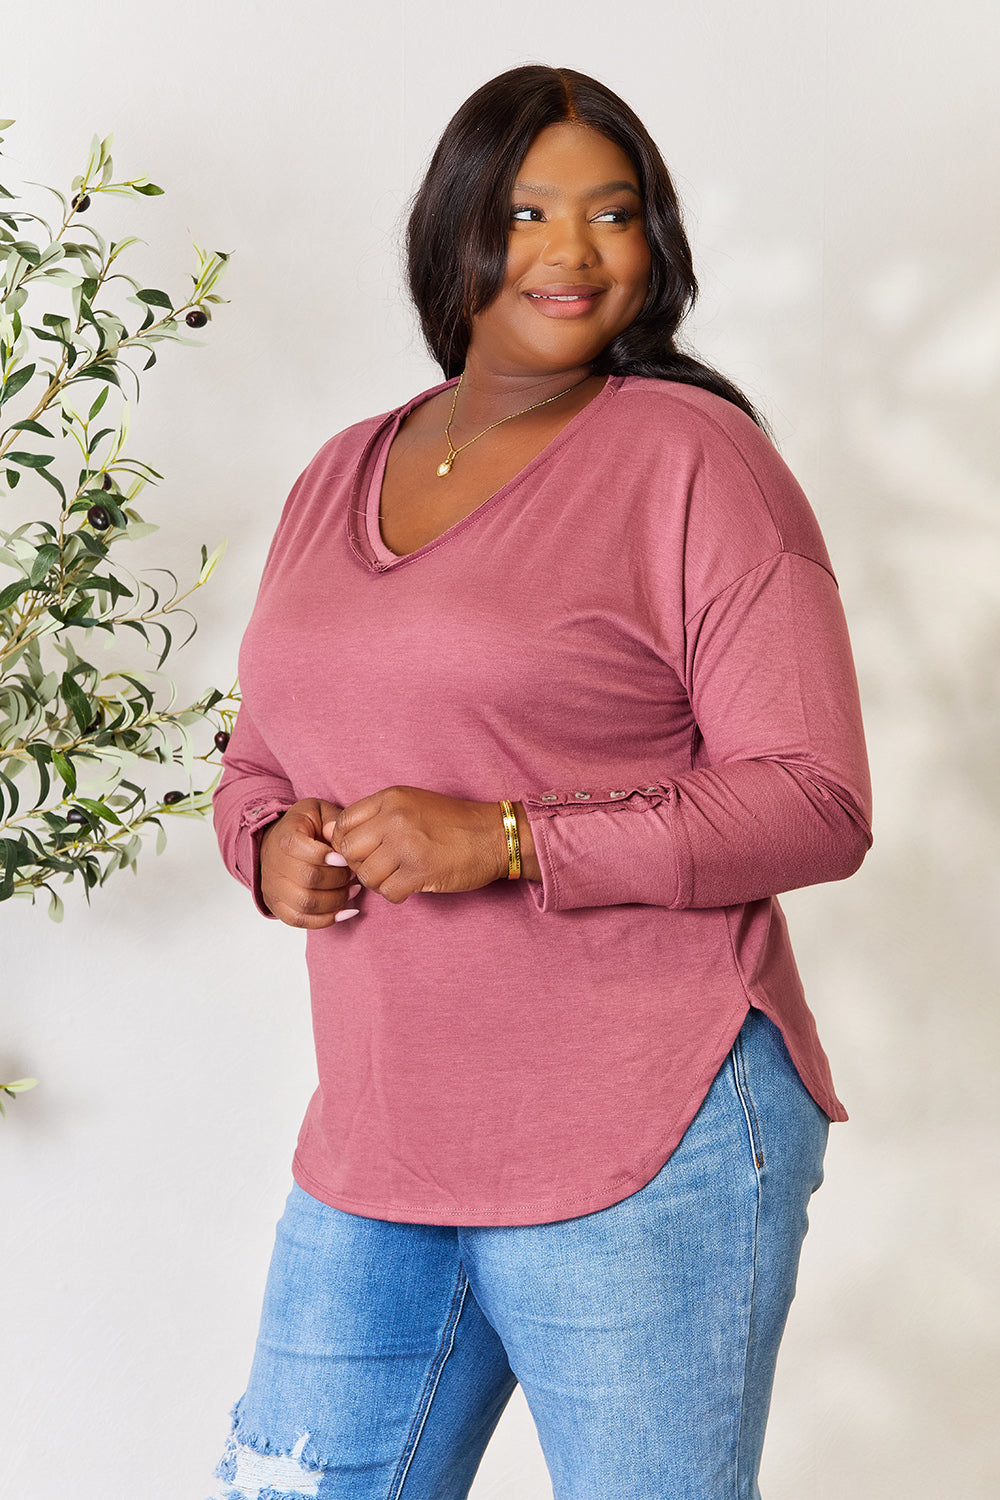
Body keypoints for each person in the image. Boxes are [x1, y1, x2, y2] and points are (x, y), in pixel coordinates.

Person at [210, 64, 871, 1500]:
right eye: (524, 212)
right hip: (379, 1141)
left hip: (650, 1134)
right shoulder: (338, 472)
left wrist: (511, 839)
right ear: (455, 231)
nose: (570, 254)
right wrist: (263, 842)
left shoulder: (698, 460)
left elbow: (816, 797)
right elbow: (265, 749)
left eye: (612, 215)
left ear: (658, 244)